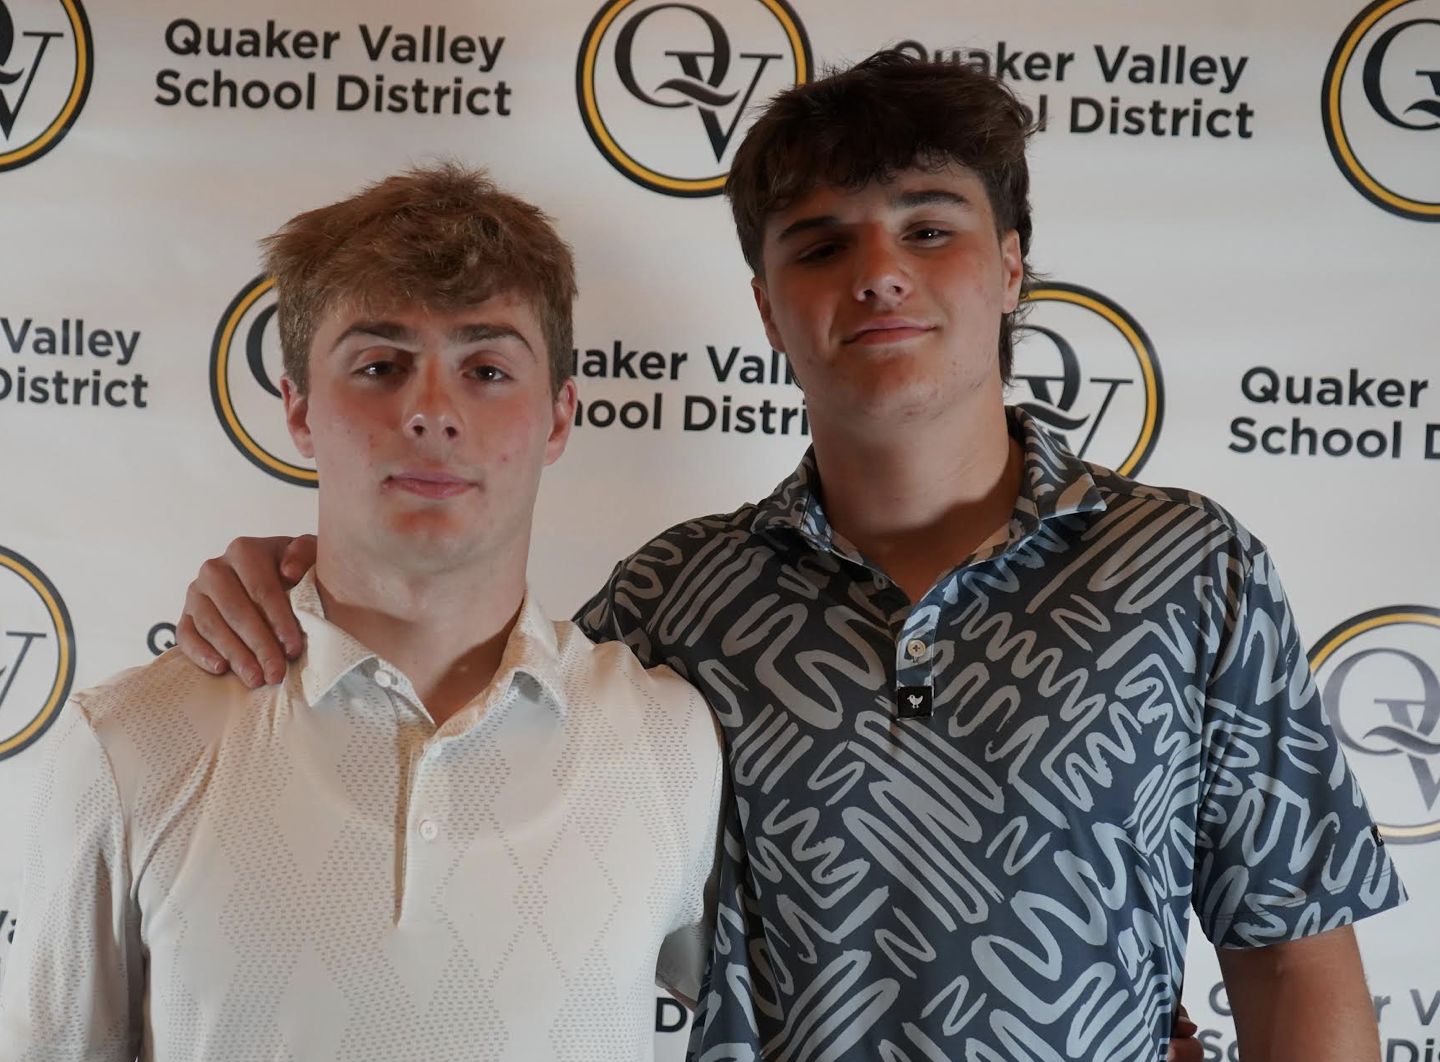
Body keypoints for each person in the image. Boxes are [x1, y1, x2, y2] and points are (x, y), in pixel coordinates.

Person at [171, 53, 1403, 1062]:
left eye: (930, 228)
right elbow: (454, 703)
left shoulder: (1185, 570)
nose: (879, 276)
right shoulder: (672, 601)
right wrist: (292, 581)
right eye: (820, 246)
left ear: (1012, 266)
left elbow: (1295, 962)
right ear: (765, 305)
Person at [0, 164, 724, 1062]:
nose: (432, 412)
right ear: (299, 409)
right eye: (381, 366)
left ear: (558, 417)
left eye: (487, 369)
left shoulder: (672, 743)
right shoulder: (128, 745)